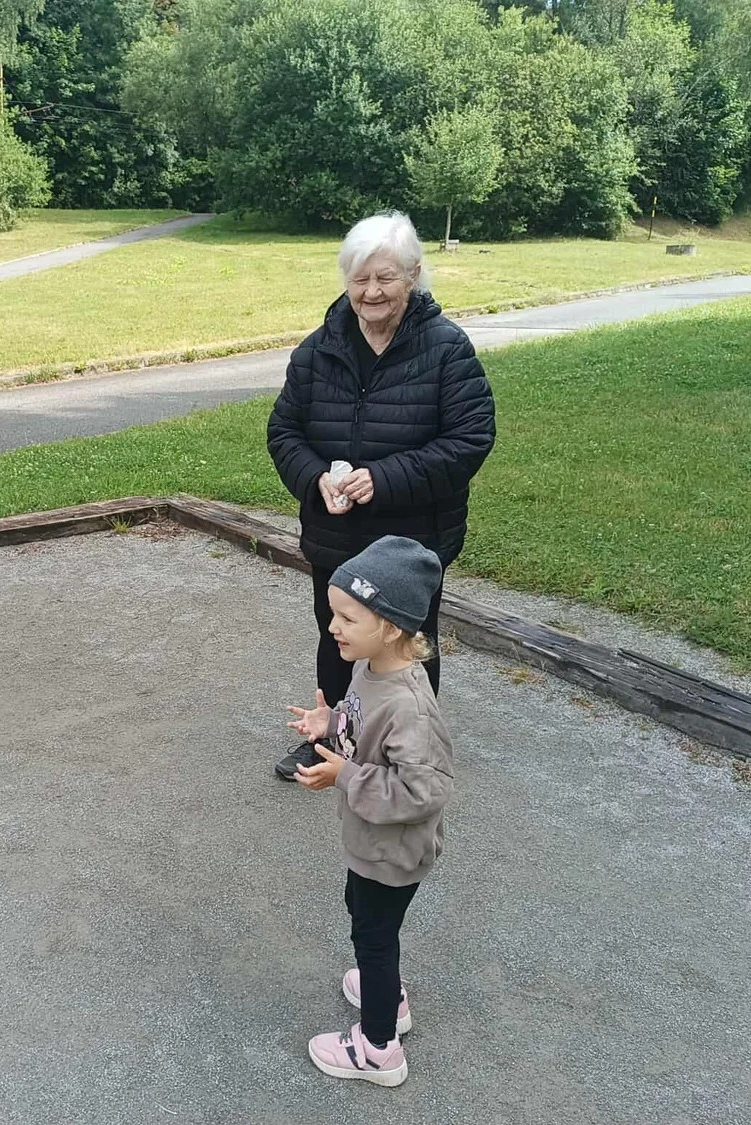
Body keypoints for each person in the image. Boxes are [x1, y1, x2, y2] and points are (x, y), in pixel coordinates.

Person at [268, 211, 494, 781]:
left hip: (410, 540)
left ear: (413, 276)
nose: (372, 292)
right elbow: (284, 431)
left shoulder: (447, 349)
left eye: (385, 278)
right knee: (338, 636)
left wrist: (382, 478)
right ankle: (333, 740)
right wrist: (315, 479)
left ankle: (407, 754)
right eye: (360, 278)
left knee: (405, 647)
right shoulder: (318, 350)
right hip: (336, 533)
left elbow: (470, 440)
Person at [285, 536, 455, 1088]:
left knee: (374, 936)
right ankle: (389, 997)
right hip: (370, 842)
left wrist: (344, 775)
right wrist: (331, 723)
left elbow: (423, 792)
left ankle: (379, 1048)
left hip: (393, 850)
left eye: (347, 618)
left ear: (390, 626)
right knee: (365, 918)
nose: (333, 627)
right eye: (333, 613)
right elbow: (363, 725)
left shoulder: (410, 706)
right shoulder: (371, 669)